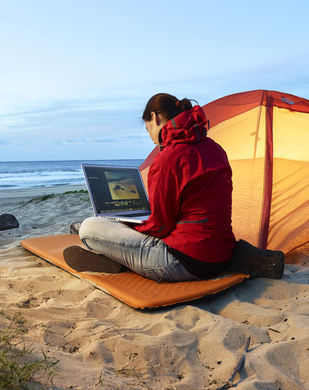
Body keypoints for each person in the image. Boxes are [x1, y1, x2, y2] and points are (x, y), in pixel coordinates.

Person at [63, 93, 236, 282]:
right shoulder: (216, 149)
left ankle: (119, 259)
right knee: (115, 225)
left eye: (148, 129)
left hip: (183, 262)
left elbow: (159, 227)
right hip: (222, 257)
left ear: (154, 117)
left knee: (89, 227)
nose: (153, 139)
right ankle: (119, 254)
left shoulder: (169, 158)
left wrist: (128, 224)